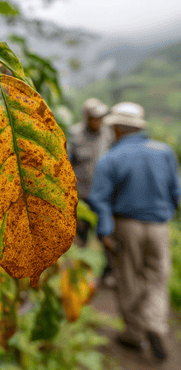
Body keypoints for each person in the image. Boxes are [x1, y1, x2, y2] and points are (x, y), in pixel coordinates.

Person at [89, 102, 181, 362]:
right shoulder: (164, 152)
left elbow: (100, 199)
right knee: (157, 278)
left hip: (126, 225)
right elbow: (176, 191)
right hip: (158, 226)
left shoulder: (112, 158)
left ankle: (134, 333)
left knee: (128, 278)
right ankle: (155, 323)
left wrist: (105, 231)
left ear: (117, 128)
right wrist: (164, 215)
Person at [69, 98, 113, 247]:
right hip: (82, 194)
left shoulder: (108, 135)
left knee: (105, 233)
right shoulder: (75, 135)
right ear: (87, 118)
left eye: (101, 118)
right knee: (80, 232)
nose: (99, 121)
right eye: (95, 118)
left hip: (102, 193)